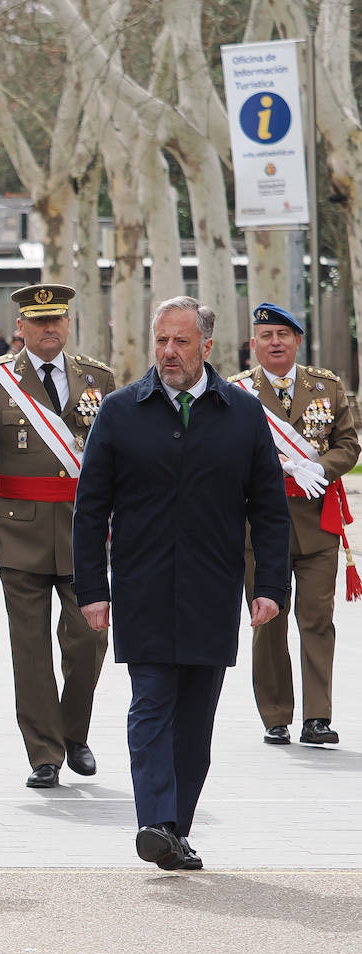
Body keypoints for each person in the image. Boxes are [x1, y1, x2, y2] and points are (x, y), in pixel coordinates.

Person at [73, 295, 290, 871]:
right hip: (141, 587)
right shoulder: (120, 411)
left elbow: (269, 509)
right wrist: (92, 589)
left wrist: (270, 586)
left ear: (206, 346)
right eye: (161, 340)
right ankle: (154, 822)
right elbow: (90, 508)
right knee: (151, 705)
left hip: (212, 590)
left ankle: (176, 830)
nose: (169, 352)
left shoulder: (243, 413)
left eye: (181, 342)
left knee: (195, 720)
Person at [0, 283, 115, 789]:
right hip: (18, 533)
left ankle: (73, 731)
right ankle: (44, 752)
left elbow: (118, 460)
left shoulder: (97, 378)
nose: (50, 328)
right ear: (20, 327)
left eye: (57, 320)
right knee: (30, 650)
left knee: (89, 641)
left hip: (85, 534)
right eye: (39, 321)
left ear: (68, 324)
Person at [231, 303, 360, 746]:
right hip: (260, 526)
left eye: (283, 335)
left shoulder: (326, 386)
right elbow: (222, 453)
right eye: (266, 336)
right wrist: (279, 466)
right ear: (254, 344)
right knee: (268, 619)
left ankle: (318, 717)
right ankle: (275, 714)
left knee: (318, 619)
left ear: (297, 341)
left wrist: (319, 468)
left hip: (317, 522)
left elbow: (348, 445)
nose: (275, 343)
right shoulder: (236, 393)